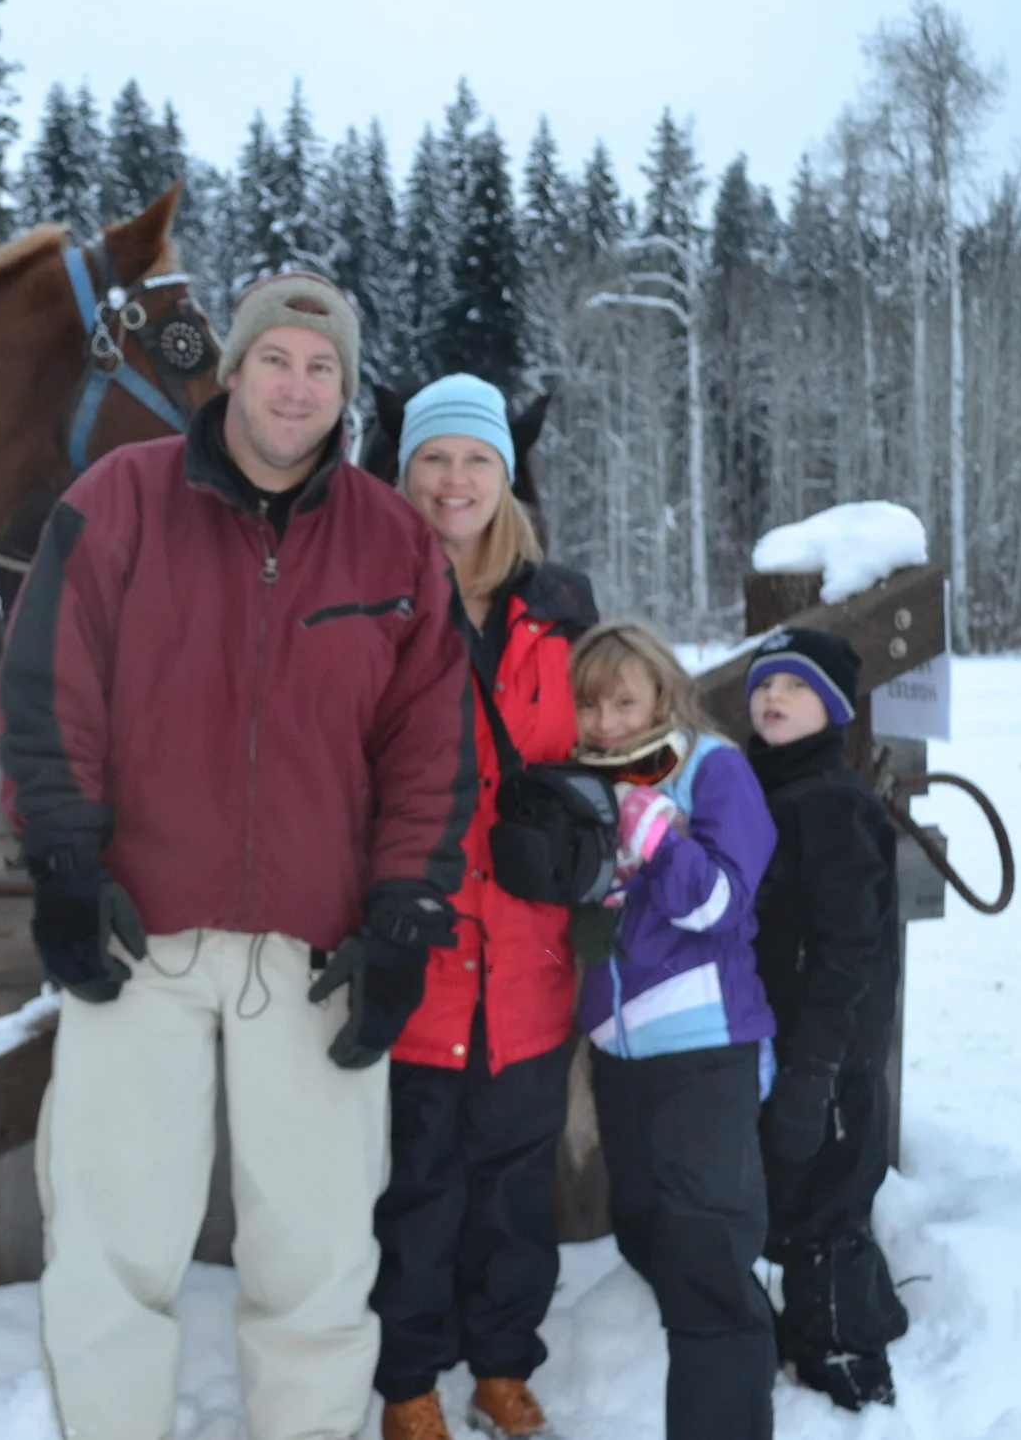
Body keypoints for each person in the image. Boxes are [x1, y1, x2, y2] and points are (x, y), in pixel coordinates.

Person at [0, 271, 478, 1440]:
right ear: (234, 370)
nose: (295, 387)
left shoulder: (393, 541)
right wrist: (64, 863)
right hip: (138, 933)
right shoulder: (121, 499)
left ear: (344, 391)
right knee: (111, 1238)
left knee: (316, 1247)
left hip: (318, 950)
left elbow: (430, 748)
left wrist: (402, 916)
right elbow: (45, 690)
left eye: (321, 367)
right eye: (276, 359)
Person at [372, 376, 598, 1440]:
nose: (452, 480)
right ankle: (409, 1376)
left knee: (513, 1184)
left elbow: (614, 740)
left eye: (475, 459)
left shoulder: (562, 611)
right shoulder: (368, 598)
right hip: (416, 950)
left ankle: (503, 1360)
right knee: (418, 1184)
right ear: (403, 472)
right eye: (433, 458)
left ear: (505, 476)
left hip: (527, 954)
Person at [568, 620, 780, 1440]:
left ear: (663, 691)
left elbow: (720, 903)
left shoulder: (711, 768)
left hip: (703, 1051)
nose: (606, 722)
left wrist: (654, 834)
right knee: (648, 1234)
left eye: (625, 701)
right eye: (590, 704)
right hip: (620, 1055)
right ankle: (748, 1352)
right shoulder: (584, 778)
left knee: (705, 1260)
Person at [742, 627, 909, 1410]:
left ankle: (848, 1362)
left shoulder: (832, 803)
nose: (773, 696)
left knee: (826, 1204)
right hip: (789, 1042)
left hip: (829, 1054)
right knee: (799, 1188)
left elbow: (850, 949)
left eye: (797, 685)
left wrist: (816, 1067)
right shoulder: (766, 788)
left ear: (836, 708)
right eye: (763, 683)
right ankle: (851, 1314)